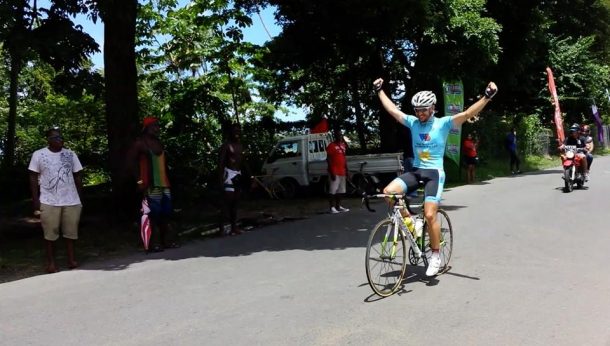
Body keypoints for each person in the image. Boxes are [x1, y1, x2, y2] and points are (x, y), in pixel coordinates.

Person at [373, 77, 498, 276]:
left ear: (432, 108)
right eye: (417, 110)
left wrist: (487, 97)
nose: (420, 113)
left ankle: (436, 255)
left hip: (434, 173)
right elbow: (393, 111)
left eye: (423, 110)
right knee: (389, 193)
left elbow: (467, 113)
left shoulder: (443, 123)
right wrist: (379, 90)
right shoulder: (413, 122)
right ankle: (411, 223)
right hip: (416, 171)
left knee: (430, 214)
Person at [28, 128, 83, 273]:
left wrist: (80, 197)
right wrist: (35, 201)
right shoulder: (39, 155)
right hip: (48, 200)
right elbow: (33, 177)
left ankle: (71, 260)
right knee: (50, 234)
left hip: (71, 200)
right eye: (55, 137)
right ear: (49, 139)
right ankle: (51, 263)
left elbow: (78, 175)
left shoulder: (70, 154)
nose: (59, 139)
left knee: (71, 232)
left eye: (61, 137)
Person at [130, 117, 178, 252]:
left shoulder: (159, 142)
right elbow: (132, 163)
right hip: (150, 184)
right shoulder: (140, 143)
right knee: (153, 215)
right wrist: (139, 181)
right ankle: (153, 242)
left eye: (158, 126)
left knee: (167, 213)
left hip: (164, 183)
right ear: (147, 127)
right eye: (154, 126)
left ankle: (166, 240)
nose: (157, 129)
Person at [219, 123, 246, 235]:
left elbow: (243, 162)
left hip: (237, 174)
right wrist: (220, 179)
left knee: (235, 203)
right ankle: (222, 227)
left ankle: (234, 227)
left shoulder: (240, 145)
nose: (237, 132)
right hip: (228, 175)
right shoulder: (226, 145)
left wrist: (250, 176)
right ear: (230, 132)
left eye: (238, 130)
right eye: (234, 130)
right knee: (227, 203)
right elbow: (220, 163)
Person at [326, 127, 349, 213]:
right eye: (338, 135)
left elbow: (344, 158)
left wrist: (347, 170)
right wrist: (331, 171)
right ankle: (332, 207)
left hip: (342, 171)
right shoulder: (331, 146)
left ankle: (338, 206)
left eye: (340, 135)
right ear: (334, 136)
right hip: (334, 171)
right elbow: (328, 159)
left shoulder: (343, 145)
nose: (339, 136)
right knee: (333, 190)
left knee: (341, 190)